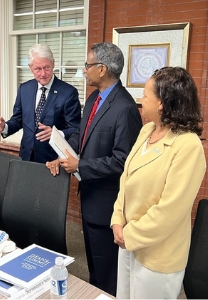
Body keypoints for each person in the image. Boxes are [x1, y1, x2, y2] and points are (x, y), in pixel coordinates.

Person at [47, 42, 142, 295]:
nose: (84, 70)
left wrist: (81, 165)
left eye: (87, 65)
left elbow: (123, 161)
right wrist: (63, 154)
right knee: (94, 264)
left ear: (102, 69)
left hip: (107, 203)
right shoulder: (94, 97)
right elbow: (81, 134)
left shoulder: (125, 108)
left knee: (108, 269)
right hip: (90, 198)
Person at [109, 67, 205, 298]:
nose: (141, 100)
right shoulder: (147, 130)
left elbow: (170, 210)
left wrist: (129, 235)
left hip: (157, 254)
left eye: (145, 94)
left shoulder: (188, 146)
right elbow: (126, 179)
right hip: (128, 241)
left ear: (161, 103)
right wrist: (117, 220)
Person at [0, 44, 81, 163]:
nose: (43, 73)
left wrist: (57, 134)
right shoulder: (24, 89)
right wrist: (4, 127)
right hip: (26, 156)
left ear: (53, 64)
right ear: (30, 68)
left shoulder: (68, 92)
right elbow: (18, 120)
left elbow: (76, 128)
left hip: (53, 160)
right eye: (38, 69)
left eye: (47, 67)